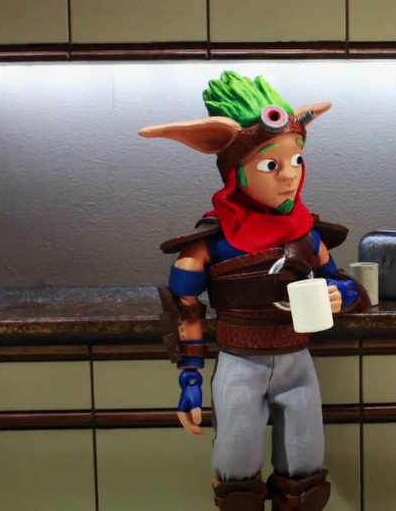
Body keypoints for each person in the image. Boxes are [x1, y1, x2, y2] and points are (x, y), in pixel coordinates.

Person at [140, 71, 368, 511]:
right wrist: (190, 378)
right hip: (239, 363)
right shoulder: (209, 244)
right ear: (235, 171)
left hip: (297, 361)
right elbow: (186, 308)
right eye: (271, 165)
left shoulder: (307, 235)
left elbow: (346, 284)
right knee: (237, 480)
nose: (289, 177)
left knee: (305, 479)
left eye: (296, 160)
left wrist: (343, 294)